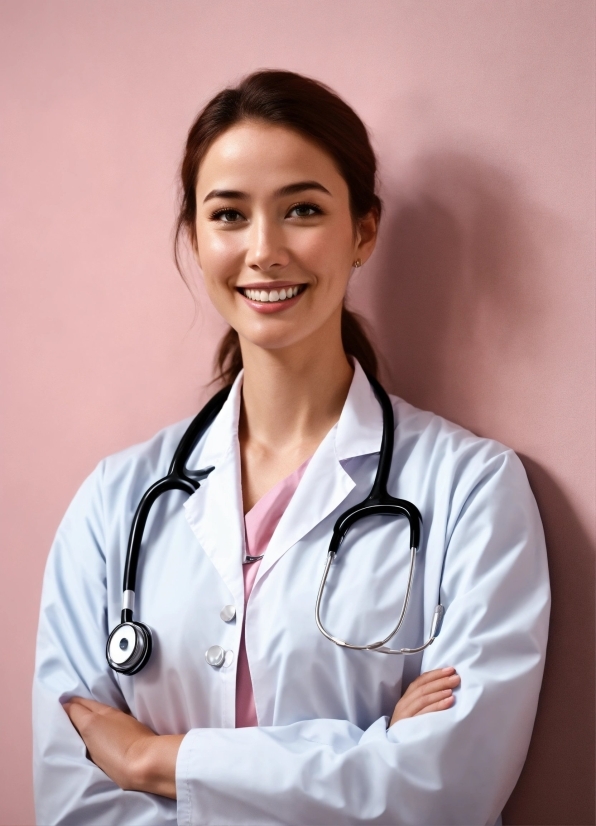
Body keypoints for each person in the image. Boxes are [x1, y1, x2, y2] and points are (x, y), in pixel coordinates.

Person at [33, 70, 550, 826]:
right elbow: (74, 798)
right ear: (196, 238)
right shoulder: (115, 502)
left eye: (303, 209)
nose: (265, 250)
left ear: (364, 230)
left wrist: (154, 759)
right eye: (229, 215)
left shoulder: (471, 490)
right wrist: (366, 757)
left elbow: (442, 792)